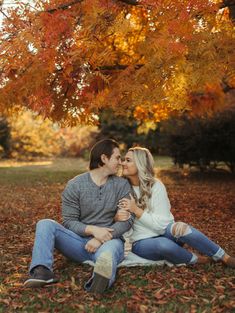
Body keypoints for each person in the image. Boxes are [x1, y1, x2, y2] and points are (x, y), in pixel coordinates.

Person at [24, 139, 134, 293]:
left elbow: (127, 220)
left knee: (107, 255)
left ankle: (100, 281)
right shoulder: (75, 185)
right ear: (104, 159)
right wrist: (93, 230)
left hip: (110, 242)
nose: (121, 162)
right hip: (79, 244)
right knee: (45, 223)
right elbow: (69, 221)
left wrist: (100, 238)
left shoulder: (121, 185)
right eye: (117, 157)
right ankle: (42, 271)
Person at [116, 147, 235, 268]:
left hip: (165, 232)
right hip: (141, 243)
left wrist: (136, 210)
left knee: (181, 228)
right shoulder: (120, 188)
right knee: (164, 245)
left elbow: (163, 226)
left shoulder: (156, 186)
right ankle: (196, 259)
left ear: (140, 163)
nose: (122, 163)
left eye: (128, 160)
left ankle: (224, 257)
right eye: (123, 160)